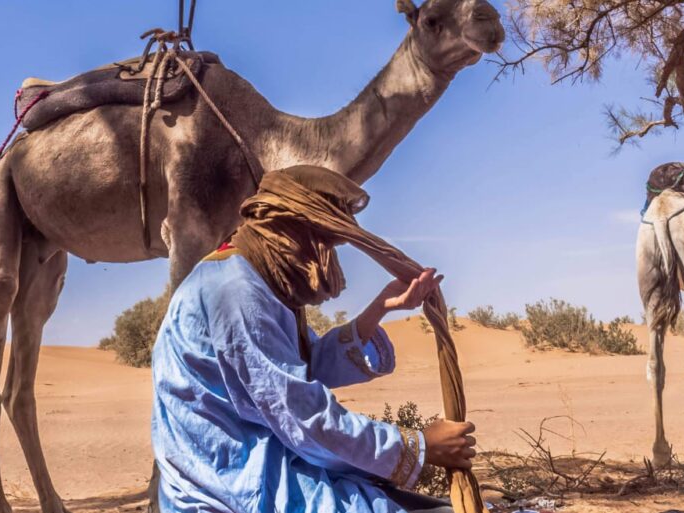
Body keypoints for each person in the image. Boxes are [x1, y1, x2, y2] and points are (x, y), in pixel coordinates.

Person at [151, 166, 478, 513]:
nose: (327, 256)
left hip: (267, 464)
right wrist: (417, 447)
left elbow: (306, 365)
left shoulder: (257, 282)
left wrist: (381, 306)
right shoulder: (236, 293)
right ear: (291, 230)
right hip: (231, 487)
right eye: (322, 240)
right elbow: (303, 417)